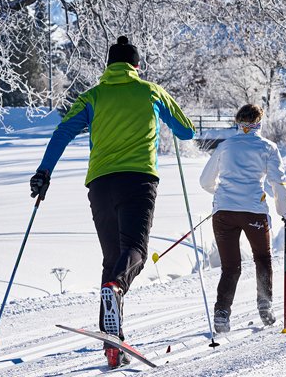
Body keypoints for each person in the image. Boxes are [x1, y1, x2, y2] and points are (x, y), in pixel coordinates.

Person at [29, 36, 196, 368]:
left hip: (101, 184)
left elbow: (62, 132)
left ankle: (112, 344)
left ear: (108, 67)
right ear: (137, 66)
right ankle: (114, 293)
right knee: (134, 252)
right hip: (139, 179)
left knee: (113, 259)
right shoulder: (151, 92)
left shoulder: (92, 96)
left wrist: (44, 172)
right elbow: (187, 132)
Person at [199, 104, 286, 333]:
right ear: (259, 122)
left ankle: (222, 313)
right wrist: (285, 212)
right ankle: (265, 304)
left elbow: (205, 181)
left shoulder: (225, 146)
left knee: (230, 267)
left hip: (223, 213)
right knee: (262, 258)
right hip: (253, 210)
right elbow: (278, 183)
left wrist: (222, 196)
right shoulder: (268, 147)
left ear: (237, 123)